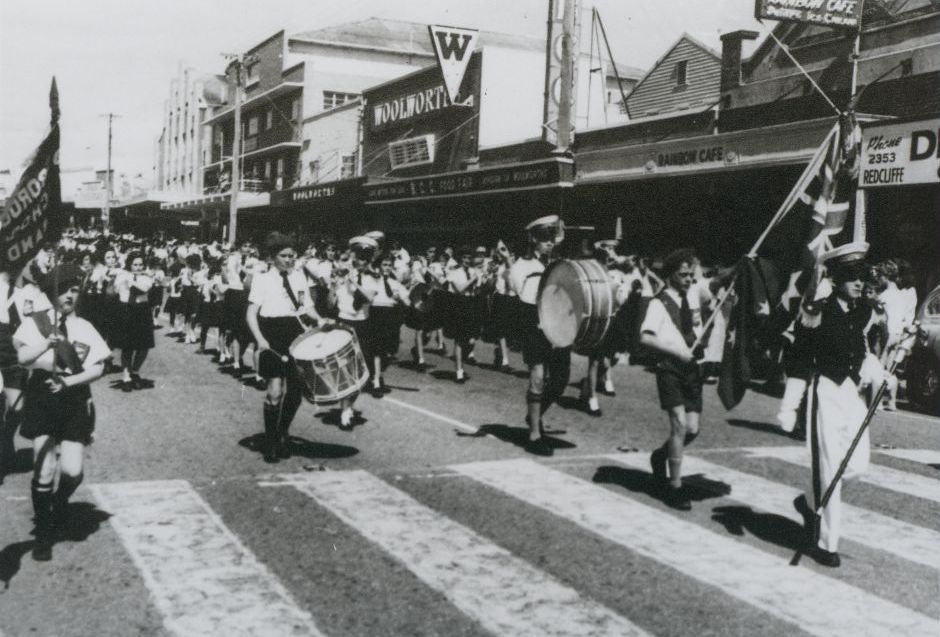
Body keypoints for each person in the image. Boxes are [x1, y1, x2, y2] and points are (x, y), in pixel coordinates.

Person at [14, 264, 110, 561]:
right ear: (52, 292)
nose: (71, 294)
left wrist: (69, 381)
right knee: (44, 468)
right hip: (42, 398)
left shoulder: (85, 328)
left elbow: (99, 366)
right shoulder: (34, 323)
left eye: (75, 289)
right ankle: (44, 532)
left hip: (73, 400)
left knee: (73, 471)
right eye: (65, 288)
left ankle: (58, 502)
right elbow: (22, 358)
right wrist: (46, 342)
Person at [792, 242, 875, 568]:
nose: (859, 283)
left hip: (850, 392)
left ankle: (812, 504)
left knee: (857, 465)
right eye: (852, 277)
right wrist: (791, 403)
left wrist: (874, 370)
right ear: (837, 278)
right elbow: (799, 357)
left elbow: (864, 350)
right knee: (829, 467)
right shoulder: (818, 312)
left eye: (862, 277)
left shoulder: (863, 311)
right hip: (824, 390)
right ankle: (826, 543)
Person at [246, 232, 324, 463]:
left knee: (296, 393)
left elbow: (304, 307)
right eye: (284, 255)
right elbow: (251, 313)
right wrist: (260, 339)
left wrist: (319, 320)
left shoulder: (299, 278)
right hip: (272, 334)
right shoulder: (262, 279)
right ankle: (271, 441)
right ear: (272, 257)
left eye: (292, 255)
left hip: (295, 333)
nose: (289, 259)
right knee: (274, 392)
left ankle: (283, 431)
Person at [641, 248, 705, 510]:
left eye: (691, 274)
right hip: (669, 367)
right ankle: (674, 486)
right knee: (678, 424)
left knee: (692, 429)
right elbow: (645, 336)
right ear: (670, 276)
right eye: (683, 275)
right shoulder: (659, 303)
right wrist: (676, 349)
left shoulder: (693, 296)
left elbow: (720, 281)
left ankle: (660, 456)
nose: (689, 279)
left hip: (692, 370)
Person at [510, 215, 570, 456]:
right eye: (545, 238)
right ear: (533, 238)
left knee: (560, 380)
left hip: (559, 325)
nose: (550, 243)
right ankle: (534, 434)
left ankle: (533, 414)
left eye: (552, 238)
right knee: (537, 376)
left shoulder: (558, 263)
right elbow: (524, 299)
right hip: (534, 324)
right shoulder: (521, 267)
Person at [331, 236, 380, 427]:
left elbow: (369, 298)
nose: (361, 261)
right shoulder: (342, 276)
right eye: (359, 257)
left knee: (360, 369)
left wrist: (354, 282)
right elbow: (330, 304)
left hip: (362, 324)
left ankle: (348, 406)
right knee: (344, 367)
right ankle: (345, 410)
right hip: (344, 321)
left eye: (365, 258)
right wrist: (335, 286)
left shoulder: (373, 277)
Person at [113, 252, 155, 390]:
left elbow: (143, 289)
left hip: (142, 311)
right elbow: (115, 290)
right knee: (127, 346)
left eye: (141, 264)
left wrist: (130, 281)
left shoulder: (147, 278)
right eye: (135, 264)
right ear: (130, 264)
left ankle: (135, 371)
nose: (138, 267)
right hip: (126, 310)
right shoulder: (121, 275)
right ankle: (126, 376)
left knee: (143, 345)